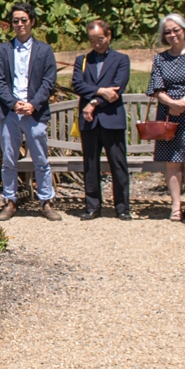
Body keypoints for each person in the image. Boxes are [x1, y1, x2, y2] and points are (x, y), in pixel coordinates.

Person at [0, 3, 62, 221]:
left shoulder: (45, 50)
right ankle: (9, 201)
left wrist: (33, 104)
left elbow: (49, 81)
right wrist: (14, 103)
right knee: (9, 159)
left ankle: (46, 201)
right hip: (11, 113)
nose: (20, 24)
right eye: (16, 21)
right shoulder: (3, 50)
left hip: (34, 113)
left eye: (23, 20)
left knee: (41, 159)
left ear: (32, 21)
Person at [71, 19, 131, 220]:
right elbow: (77, 85)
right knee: (90, 164)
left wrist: (94, 102)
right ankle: (92, 206)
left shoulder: (121, 59)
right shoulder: (83, 60)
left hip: (111, 118)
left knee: (118, 164)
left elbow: (116, 90)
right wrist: (99, 91)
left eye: (100, 39)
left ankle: (122, 207)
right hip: (89, 122)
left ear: (109, 35)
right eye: (92, 40)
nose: (97, 44)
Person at [146, 13, 185, 220]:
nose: (172, 35)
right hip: (167, 113)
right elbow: (155, 88)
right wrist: (172, 103)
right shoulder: (160, 58)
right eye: (167, 32)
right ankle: (176, 206)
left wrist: (184, 102)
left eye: (175, 30)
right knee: (172, 161)